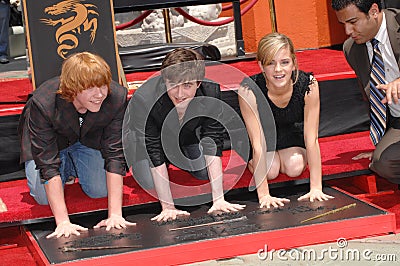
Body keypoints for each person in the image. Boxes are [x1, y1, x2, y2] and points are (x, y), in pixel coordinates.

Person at [19, 52, 135, 238]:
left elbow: (115, 152)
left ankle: (70, 168)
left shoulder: (117, 97)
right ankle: (67, 167)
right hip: (52, 145)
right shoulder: (43, 103)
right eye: (90, 89)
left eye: (103, 85)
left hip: (87, 140)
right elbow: (47, 161)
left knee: (100, 190)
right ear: (73, 89)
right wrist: (63, 222)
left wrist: (115, 214)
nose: (99, 95)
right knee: (42, 197)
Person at [124, 48, 245, 222]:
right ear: (165, 80)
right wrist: (168, 207)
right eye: (173, 85)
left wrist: (218, 199)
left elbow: (212, 141)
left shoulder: (211, 92)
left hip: (185, 140)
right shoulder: (144, 98)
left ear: (198, 83)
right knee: (148, 182)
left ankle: (179, 161)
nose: (180, 94)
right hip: (148, 147)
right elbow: (153, 149)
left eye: (187, 85)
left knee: (204, 173)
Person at [238, 33, 334, 208]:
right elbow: (258, 144)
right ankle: (264, 163)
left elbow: (311, 138)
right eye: (270, 63)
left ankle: (282, 158)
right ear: (261, 65)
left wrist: (316, 188)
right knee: (271, 170)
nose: (278, 70)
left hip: (291, 136)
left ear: (294, 63)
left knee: (295, 166)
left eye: (284, 62)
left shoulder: (308, 85)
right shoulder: (248, 90)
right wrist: (264, 195)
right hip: (263, 139)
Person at [332, 0, 400, 184]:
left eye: (353, 22)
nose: (348, 31)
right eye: (343, 24)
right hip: (397, 124)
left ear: (374, 11)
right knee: (383, 163)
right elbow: (371, 98)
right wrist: (382, 144)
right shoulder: (351, 49)